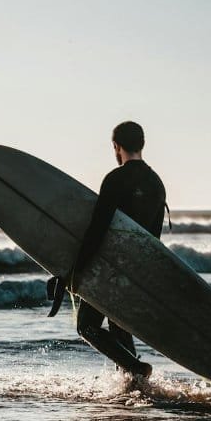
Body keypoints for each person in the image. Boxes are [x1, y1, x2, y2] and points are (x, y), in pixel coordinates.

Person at [59, 121, 167, 378]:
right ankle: (135, 383)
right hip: (137, 271)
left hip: (108, 267)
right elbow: (155, 241)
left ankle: (136, 369)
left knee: (86, 327)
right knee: (120, 327)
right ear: (143, 144)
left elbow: (98, 229)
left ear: (116, 146)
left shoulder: (115, 179)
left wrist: (77, 271)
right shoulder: (157, 184)